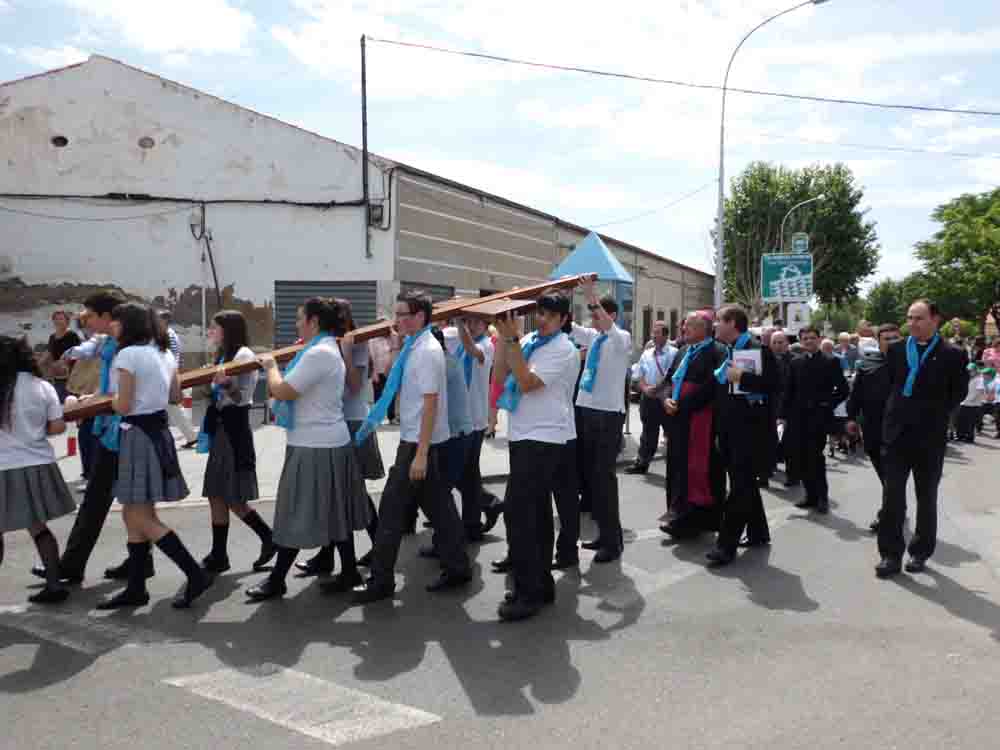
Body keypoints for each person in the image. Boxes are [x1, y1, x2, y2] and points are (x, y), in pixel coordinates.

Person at [351, 290, 472, 604]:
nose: (397, 319)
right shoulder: (413, 346)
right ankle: (458, 567)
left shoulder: (427, 351)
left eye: (403, 314)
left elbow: (431, 404)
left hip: (420, 444)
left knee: (392, 512)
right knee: (440, 511)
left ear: (420, 316)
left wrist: (420, 454)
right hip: (420, 441)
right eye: (397, 313)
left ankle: (381, 581)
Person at [248, 298, 372, 600]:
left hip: (314, 445)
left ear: (314, 321)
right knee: (336, 513)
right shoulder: (324, 350)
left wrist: (271, 366)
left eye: (300, 318)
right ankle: (349, 572)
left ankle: (277, 579)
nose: (297, 323)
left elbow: (282, 390)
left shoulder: (318, 353)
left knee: (295, 512)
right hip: (324, 441)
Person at [97, 302, 212, 609]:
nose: (112, 326)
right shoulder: (163, 353)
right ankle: (136, 587)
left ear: (129, 325)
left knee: (137, 515)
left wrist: (99, 402)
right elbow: (175, 396)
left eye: (117, 322)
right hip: (158, 433)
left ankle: (195, 573)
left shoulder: (128, 354)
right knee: (135, 515)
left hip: (137, 435)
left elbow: (122, 405)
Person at [30, 290, 148, 586]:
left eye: (91, 315)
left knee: (107, 500)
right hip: (110, 425)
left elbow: (122, 391)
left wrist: (92, 401)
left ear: (108, 317)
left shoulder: (129, 347)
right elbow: (86, 353)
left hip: (122, 429)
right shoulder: (109, 341)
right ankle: (138, 563)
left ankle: (74, 565)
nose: (87, 320)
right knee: (129, 503)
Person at [492, 290, 579, 620]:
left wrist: (511, 341)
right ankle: (540, 585)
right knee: (536, 514)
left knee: (519, 514)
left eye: (549, 315)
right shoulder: (527, 340)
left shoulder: (563, 349)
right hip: (523, 433)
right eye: (539, 312)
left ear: (563, 319)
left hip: (545, 438)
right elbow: (501, 377)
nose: (540, 319)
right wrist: (504, 339)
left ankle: (528, 593)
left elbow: (527, 382)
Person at [876, 300, 969, 578]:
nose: (912, 323)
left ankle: (919, 552)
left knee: (926, 497)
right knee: (892, 496)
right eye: (909, 318)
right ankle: (890, 555)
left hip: (929, 438)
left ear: (935, 320)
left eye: (918, 318)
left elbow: (959, 392)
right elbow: (890, 386)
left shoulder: (952, 353)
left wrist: (934, 412)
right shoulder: (895, 350)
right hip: (897, 436)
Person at [296, 300, 383, 580]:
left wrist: (345, 351)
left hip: (352, 421)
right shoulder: (324, 344)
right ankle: (328, 555)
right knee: (337, 495)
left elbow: (355, 386)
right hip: (333, 422)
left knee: (352, 492)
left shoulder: (355, 344)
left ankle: (380, 545)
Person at [197, 310, 276, 574]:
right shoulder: (222, 356)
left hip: (233, 429)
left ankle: (268, 537)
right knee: (216, 494)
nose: (210, 331)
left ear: (227, 330)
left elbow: (242, 397)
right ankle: (219, 554)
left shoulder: (243, 356)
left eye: (214, 327)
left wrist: (226, 385)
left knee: (231, 496)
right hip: (221, 427)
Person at [0, 336, 78, 604]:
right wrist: (32, 432)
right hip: (37, 464)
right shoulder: (42, 386)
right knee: (39, 528)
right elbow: (58, 427)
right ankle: (55, 585)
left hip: (3, 466)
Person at [707, 305, 778, 566]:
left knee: (740, 488)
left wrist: (743, 378)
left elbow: (773, 386)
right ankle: (758, 532)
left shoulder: (759, 349)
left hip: (750, 433)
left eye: (719, 321)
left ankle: (726, 546)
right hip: (730, 431)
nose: (715, 326)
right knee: (743, 483)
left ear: (733, 323)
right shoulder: (731, 351)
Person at [571, 278, 632, 563]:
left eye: (598, 314)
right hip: (586, 410)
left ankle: (612, 540)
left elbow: (605, 324)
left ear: (612, 316)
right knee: (592, 479)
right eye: (592, 315)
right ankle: (604, 534)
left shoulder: (621, 338)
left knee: (604, 479)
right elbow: (568, 326)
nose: (593, 320)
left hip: (608, 416)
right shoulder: (595, 337)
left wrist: (590, 294)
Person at [660, 311, 726, 539]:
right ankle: (677, 513)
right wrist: (666, 398)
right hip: (678, 419)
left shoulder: (718, 351)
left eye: (688, 326)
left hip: (700, 420)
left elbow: (713, 387)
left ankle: (696, 519)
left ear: (703, 329)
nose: (683, 329)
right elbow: (670, 379)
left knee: (698, 470)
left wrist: (684, 405)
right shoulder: (682, 351)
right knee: (677, 468)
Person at [780, 326, 849, 514]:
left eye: (812, 338)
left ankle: (822, 498)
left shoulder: (831, 361)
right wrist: (782, 415)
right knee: (800, 458)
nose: (809, 341)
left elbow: (843, 390)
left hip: (818, 418)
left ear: (819, 339)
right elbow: (789, 390)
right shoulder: (796, 362)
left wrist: (828, 404)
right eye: (805, 338)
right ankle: (809, 496)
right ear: (801, 341)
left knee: (815, 459)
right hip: (797, 418)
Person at [847, 323, 902, 532]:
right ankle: (895, 509)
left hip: (900, 430)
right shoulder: (867, 363)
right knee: (884, 474)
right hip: (872, 427)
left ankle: (888, 514)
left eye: (895, 338)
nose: (891, 342)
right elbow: (856, 394)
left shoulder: (909, 363)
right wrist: (851, 418)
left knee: (893, 476)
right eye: (886, 338)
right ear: (878, 342)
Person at [452, 317, 503, 539]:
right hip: (462, 418)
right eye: (468, 323)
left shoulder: (486, 345)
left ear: (485, 325)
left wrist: (458, 322)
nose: (471, 326)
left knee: (459, 474)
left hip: (474, 420)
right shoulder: (461, 344)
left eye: (475, 323)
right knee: (467, 474)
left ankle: (483, 509)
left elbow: (471, 349)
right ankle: (474, 520)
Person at [625, 321, 676, 474]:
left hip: (666, 399)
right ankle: (642, 463)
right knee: (648, 433)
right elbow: (639, 374)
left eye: (657, 333)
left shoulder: (674, 353)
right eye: (653, 332)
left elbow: (674, 376)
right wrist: (645, 388)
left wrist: (660, 390)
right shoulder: (647, 353)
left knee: (673, 433)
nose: (653, 335)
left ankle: (677, 466)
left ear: (666, 335)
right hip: (648, 399)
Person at [158, 311, 198, 449]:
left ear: (164, 321)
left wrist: (169, 377)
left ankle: (191, 436)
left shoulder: (168, 335)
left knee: (172, 408)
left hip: (168, 376)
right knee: (172, 408)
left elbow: (172, 358)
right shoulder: (168, 334)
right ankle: (190, 436)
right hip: (168, 375)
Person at [769, 331, 794, 484]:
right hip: (770, 406)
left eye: (780, 342)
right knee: (770, 439)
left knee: (789, 442)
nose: (778, 346)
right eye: (775, 343)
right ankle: (768, 469)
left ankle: (793, 475)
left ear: (787, 343)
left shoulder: (794, 360)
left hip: (788, 407)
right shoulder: (766, 360)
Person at [42, 310, 81, 403]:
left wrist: (64, 362)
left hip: (71, 375)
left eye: (60, 319)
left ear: (67, 321)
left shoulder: (72, 335)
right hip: (57, 376)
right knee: (60, 401)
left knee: (72, 401)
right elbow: (48, 353)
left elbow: (79, 353)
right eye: (55, 319)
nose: (58, 321)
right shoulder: (52, 337)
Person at [955, 363, 985, 443]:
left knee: (970, 422)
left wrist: (970, 399)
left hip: (973, 405)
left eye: (971, 371)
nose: (969, 372)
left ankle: (969, 437)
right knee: (961, 421)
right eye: (968, 371)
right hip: (963, 403)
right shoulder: (967, 378)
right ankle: (960, 436)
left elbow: (979, 391)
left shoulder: (979, 379)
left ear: (975, 370)